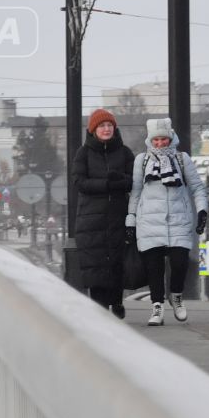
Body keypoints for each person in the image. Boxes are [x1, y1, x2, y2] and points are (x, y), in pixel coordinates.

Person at [127, 117, 208, 327]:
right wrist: (131, 220)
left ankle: (177, 296)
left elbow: (198, 188)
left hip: (179, 220)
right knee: (154, 268)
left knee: (180, 263)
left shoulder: (182, 159)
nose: (160, 143)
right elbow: (135, 193)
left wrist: (202, 211)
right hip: (149, 222)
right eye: (156, 140)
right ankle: (157, 306)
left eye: (164, 139)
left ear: (170, 138)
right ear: (150, 141)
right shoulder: (142, 161)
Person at [70, 108, 136, 319]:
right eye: (102, 126)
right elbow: (79, 182)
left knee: (117, 262)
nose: (106, 129)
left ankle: (116, 302)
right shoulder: (84, 153)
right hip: (91, 219)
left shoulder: (124, 152)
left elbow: (134, 180)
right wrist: (107, 184)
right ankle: (98, 309)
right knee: (95, 264)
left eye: (109, 125)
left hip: (118, 216)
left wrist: (120, 181)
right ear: (93, 130)